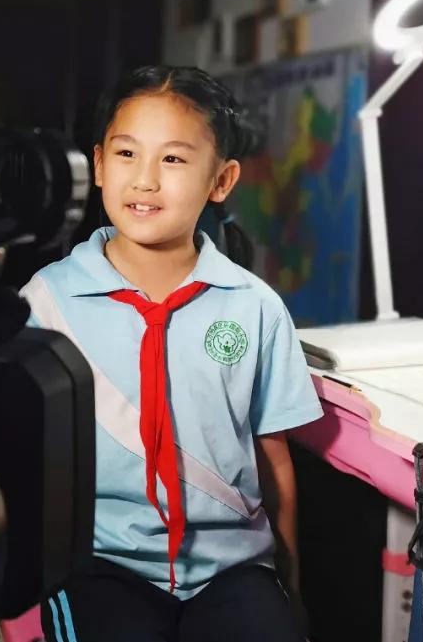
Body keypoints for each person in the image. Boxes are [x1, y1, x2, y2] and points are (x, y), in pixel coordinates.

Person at [20, 66, 322, 642]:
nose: (145, 180)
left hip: (231, 567)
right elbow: (19, 452)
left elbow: (273, 458)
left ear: (221, 180)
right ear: (99, 165)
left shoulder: (254, 306)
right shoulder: (47, 301)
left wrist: (291, 587)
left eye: (174, 159)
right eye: (127, 154)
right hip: (100, 561)